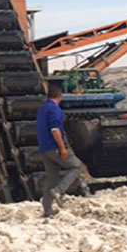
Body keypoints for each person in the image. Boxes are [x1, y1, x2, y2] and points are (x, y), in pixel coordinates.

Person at [37, 83, 89, 217]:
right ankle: (59, 191)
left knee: (52, 179)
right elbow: (55, 129)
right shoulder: (55, 109)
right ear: (59, 96)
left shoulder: (42, 109)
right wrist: (62, 148)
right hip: (55, 147)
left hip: (44, 148)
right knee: (76, 166)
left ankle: (47, 210)